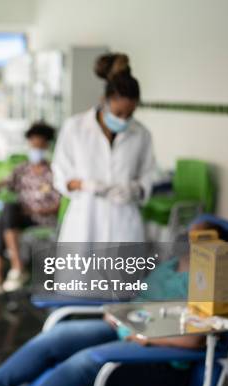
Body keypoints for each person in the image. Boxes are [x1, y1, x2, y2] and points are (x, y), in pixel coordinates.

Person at [0, 223, 228, 386]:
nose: (187, 239)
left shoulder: (209, 282)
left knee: (86, 363)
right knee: (59, 336)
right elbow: (142, 299)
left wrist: (146, 338)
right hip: (128, 328)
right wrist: (118, 313)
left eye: (199, 237)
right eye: (189, 234)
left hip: (162, 360)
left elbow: (195, 341)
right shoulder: (172, 266)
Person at [52, 53, 156, 243]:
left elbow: (148, 175)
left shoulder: (141, 134)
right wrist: (85, 185)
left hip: (123, 222)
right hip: (84, 222)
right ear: (104, 101)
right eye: (118, 113)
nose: (124, 119)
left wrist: (134, 189)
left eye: (130, 113)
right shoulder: (75, 127)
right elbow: (60, 176)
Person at [0, 122, 61, 299]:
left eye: (40, 146)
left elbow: (58, 205)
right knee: (8, 210)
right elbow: (5, 182)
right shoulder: (23, 169)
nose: (36, 149)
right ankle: (16, 267)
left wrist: (35, 210)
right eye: (33, 145)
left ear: (47, 146)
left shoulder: (54, 172)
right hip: (20, 216)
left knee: (5, 216)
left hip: (42, 217)